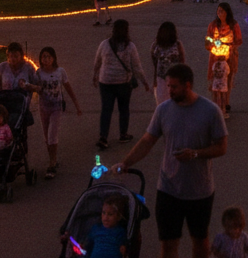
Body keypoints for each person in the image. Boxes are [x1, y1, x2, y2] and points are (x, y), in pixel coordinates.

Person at [113, 64, 228, 258]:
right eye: (168, 86)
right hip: (168, 190)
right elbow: (147, 141)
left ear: (187, 85)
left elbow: (221, 147)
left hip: (199, 191)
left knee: (200, 241)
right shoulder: (163, 110)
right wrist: (126, 163)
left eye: (174, 87)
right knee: (168, 244)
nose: (169, 91)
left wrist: (195, 154)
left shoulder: (210, 111)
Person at [93, 20, 150, 150]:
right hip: (123, 83)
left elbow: (97, 61)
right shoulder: (130, 47)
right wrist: (144, 82)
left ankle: (103, 137)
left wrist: (95, 74)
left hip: (105, 81)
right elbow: (137, 67)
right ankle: (123, 134)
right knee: (124, 108)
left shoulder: (104, 44)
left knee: (106, 109)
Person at [29, 47, 82, 179]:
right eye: (44, 57)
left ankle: (52, 164)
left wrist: (76, 105)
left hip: (56, 108)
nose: (46, 59)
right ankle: (52, 158)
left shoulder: (60, 72)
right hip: (44, 108)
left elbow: (68, 88)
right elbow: (35, 87)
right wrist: (31, 87)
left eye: (49, 57)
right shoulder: (39, 73)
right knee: (47, 138)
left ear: (54, 58)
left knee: (52, 135)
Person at [205, 3, 242, 117]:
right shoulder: (213, 25)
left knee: (228, 79)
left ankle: (226, 103)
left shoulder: (233, 25)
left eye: (221, 11)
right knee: (215, 79)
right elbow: (208, 40)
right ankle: (216, 104)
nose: (219, 13)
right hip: (216, 56)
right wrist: (212, 44)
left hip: (229, 56)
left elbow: (239, 40)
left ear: (227, 13)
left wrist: (230, 46)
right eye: (218, 11)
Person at [81, 193, 130, 258]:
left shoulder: (120, 231)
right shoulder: (95, 228)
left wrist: (123, 248)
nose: (106, 217)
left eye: (110, 214)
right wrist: (83, 246)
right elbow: (88, 244)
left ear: (118, 217)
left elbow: (123, 245)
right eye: (103, 213)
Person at [152, 21, 186, 105]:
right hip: (161, 77)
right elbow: (155, 61)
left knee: (173, 101)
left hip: (175, 77)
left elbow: (182, 61)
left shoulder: (177, 44)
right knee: (161, 101)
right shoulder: (156, 45)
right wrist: (155, 79)